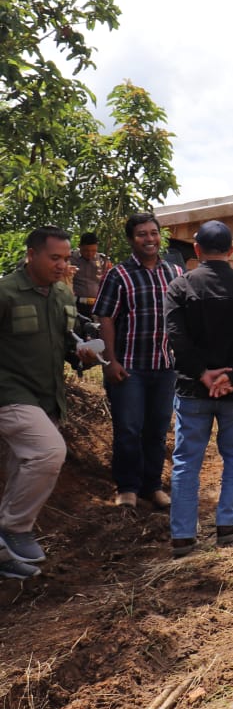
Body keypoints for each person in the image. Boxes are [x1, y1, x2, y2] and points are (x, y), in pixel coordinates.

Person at [164, 221, 233, 558]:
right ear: (232, 251)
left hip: (193, 390)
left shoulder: (179, 287)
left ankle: (182, 535)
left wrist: (203, 374)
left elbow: (176, 338)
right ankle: (228, 522)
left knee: (185, 462)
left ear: (196, 250)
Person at [0, 227, 94, 579]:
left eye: (66, 258)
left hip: (47, 398)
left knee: (19, 471)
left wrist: (82, 355)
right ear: (31, 255)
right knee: (48, 452)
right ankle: (16, 527)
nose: (61, 265)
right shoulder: (5, 292)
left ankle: (5, 558)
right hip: (9, 393)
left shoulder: (61, 296)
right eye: (54, 258)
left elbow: (68, 346)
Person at [94, 213, 183, 510]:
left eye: (153, 233)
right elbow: (105, 317)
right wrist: (110, 360)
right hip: (130, 366)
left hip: (165, 366)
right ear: (132, 240)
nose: (149, 239)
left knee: (157, 431)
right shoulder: (118, 274)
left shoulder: (174, 273)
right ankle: (127, 487)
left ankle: (152, 486)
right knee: (129, 429)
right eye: (142, 234)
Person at [68, 231, 111, 316]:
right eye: (86, 250)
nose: (90, 253)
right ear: (79, 246)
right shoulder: (70, 259)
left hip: (96, 305)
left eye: (93, 250)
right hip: (75, 304)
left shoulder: (102, 260)